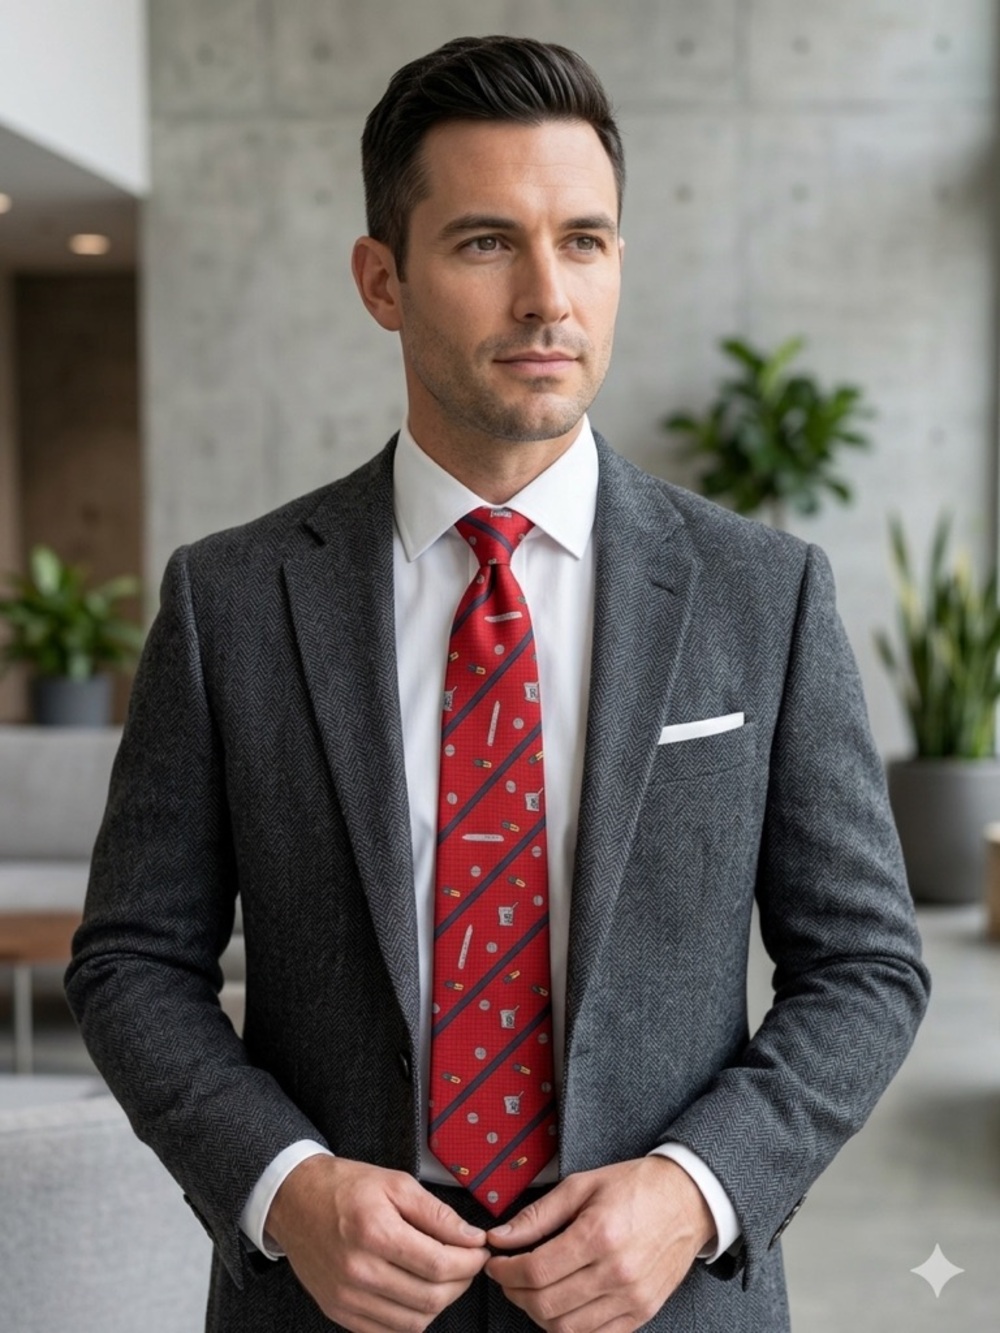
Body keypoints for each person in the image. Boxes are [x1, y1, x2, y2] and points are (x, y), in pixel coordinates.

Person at [66, 35, 930, 1333]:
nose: (547, 296)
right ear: (382, 278)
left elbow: (866, 964)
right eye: (485, 242)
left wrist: (695, 1191)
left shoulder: (764, 594)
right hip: (326, 1311)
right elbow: (133, 959)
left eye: (584, 240)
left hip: (666, 1310)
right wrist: (286, 1186)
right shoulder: (228, 602)